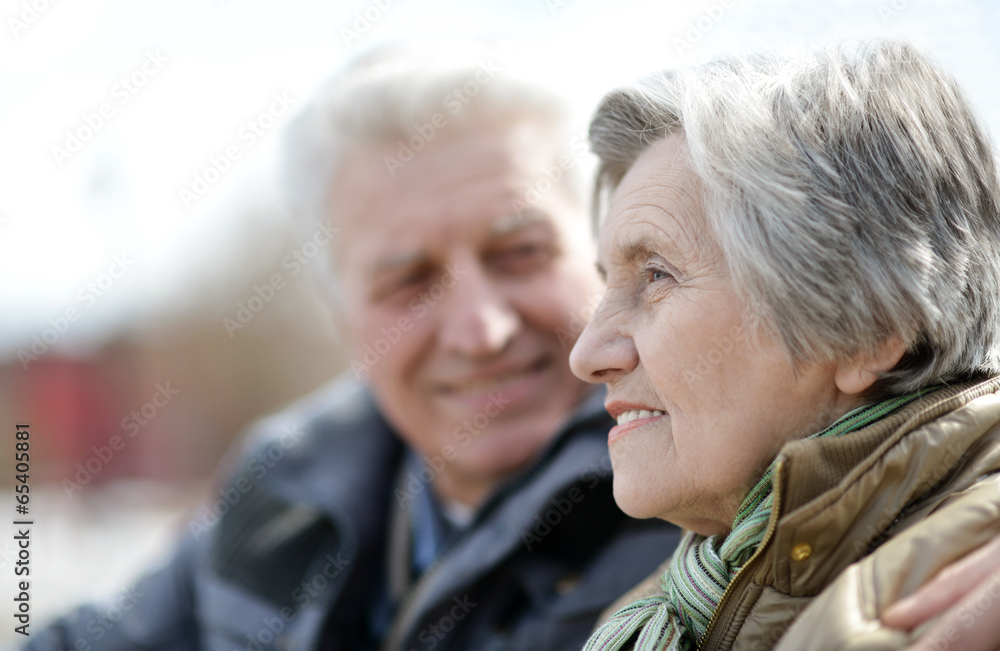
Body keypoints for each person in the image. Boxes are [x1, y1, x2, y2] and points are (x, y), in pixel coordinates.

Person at [23, 43, 680, 651]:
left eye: (519, 253)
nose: (482, 331)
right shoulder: (285, 486)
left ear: (599, 254)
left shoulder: (693, 500)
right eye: (410, 282)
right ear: (343, 322)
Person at [570, 39, 1000, 650]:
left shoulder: (972, 595)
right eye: (605, 285)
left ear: (870, 328)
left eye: (656, 275)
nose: (587, 356)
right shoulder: (665, 610)